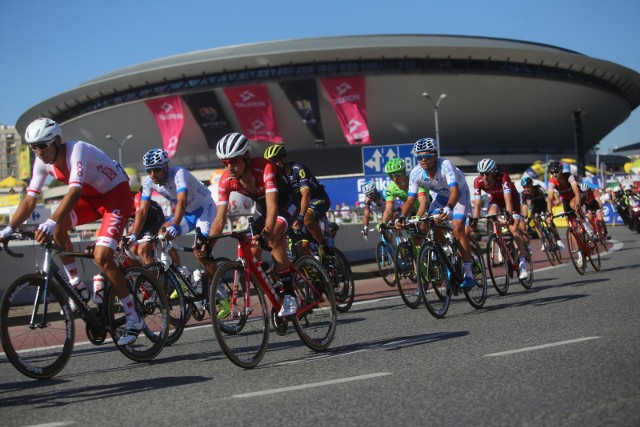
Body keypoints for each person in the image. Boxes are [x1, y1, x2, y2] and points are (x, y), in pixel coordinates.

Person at [0, 118, 142, 345]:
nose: (38, 152)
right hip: (91, 198)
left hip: (116, 194)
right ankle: (77, 284)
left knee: (102, 256)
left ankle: (133, 318)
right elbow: (29, 200)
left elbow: (74, 192)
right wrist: (9, 229)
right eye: (33, 147)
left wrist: (51, 221)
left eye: (43, 146)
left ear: (57, 141)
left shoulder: (77, 150)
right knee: (59, 230)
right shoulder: (41, 163)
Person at [198, 133, 299, 317]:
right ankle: (273, 280)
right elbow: (220, 220)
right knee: (252, 255)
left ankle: (291, 294)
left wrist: (267, 232)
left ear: (246, 157)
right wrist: (208, 246)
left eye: (234, 161)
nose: (230, 167)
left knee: (273, 236)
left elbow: (273, 206)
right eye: (225, 163)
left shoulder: (265, 168)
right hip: (263, 207)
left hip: (286, 204)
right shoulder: (226, 180)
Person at [127, 148, 216, 295]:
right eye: (149, 171)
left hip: (204, 209)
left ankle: (219, 292)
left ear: (166, 167)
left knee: (201, 251)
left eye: (156, 170)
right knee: (162, 235)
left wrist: (174, 225)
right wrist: (133, 234)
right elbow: (142, 211)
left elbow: (181, 202)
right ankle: (182, 276)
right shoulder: (149, 182)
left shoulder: (178, 174)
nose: (152, 175)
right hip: (187, 213)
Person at [399, 137, 477, 289]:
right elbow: (409, 201)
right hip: (441, 196)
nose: (423, 160)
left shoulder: (445, 165)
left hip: (459, 194)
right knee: (426, 225)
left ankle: (469, 273)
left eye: (427, 156)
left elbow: (454, 191)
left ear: (435, 155)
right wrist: (402, 217)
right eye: (419, 157)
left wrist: (449, 207)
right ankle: (447, 250)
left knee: (458, 227)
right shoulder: (416, 173)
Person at [263, 144, 331, 256]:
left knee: (307, 218)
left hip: (317, 198)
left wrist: (300, 217)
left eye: (275, 160)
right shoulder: (274, 177)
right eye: (269, 162)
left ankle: (324, 246)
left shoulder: (298, 168)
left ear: (283, 158)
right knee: (302, 248)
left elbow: (306, 194)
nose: (273, 165)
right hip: (300, 205)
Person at [471, 158, 530, 280]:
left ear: (493, 172)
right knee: (492, 215)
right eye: (481, 174)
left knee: (513, 229)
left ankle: (523, 264)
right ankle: (500, 241)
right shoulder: (478, 181)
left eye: (487, 174)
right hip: (496, 200)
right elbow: (477, 204)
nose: (484, 177)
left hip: (512, 200)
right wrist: (475, 220)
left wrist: (509, 215)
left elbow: (508, 198)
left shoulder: (503, 177)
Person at [546, 160, 594, 268]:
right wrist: (549, 213)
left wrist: (577, 204)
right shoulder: (552, 181)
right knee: (571, 227)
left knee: (573, 205)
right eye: (552, 173)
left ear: (561, 171)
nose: (554, 174)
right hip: (566, 200)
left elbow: (577, 191)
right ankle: (580, 255)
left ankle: (587, 228)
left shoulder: (569, 177)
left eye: (556, 172)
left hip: (577, 196)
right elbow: (549, 199)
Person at [520, 176, 564, 251]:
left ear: (531, 186)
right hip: (536, 207)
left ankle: (558, 240)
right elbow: (524, 206)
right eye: (524, 187)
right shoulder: (523, 194)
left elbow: (547, 199)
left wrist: (549, 212)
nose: (526, 189)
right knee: (535, 221)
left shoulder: (539, 188)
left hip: (545, 205)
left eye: (528, 187)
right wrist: (525, 216)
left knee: (549, 221)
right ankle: (544, 243)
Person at [382, 158, 429, 223]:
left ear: (404, 172)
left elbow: (424, 202)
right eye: (391, 176)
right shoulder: (391, 188)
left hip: (427, 207)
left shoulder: (415, 180)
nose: (394, 179)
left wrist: (418, 216)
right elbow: (388, 210)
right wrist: (383, 223)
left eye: (397, 175)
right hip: (412, 211)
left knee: (423, 226)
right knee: (409, 230)